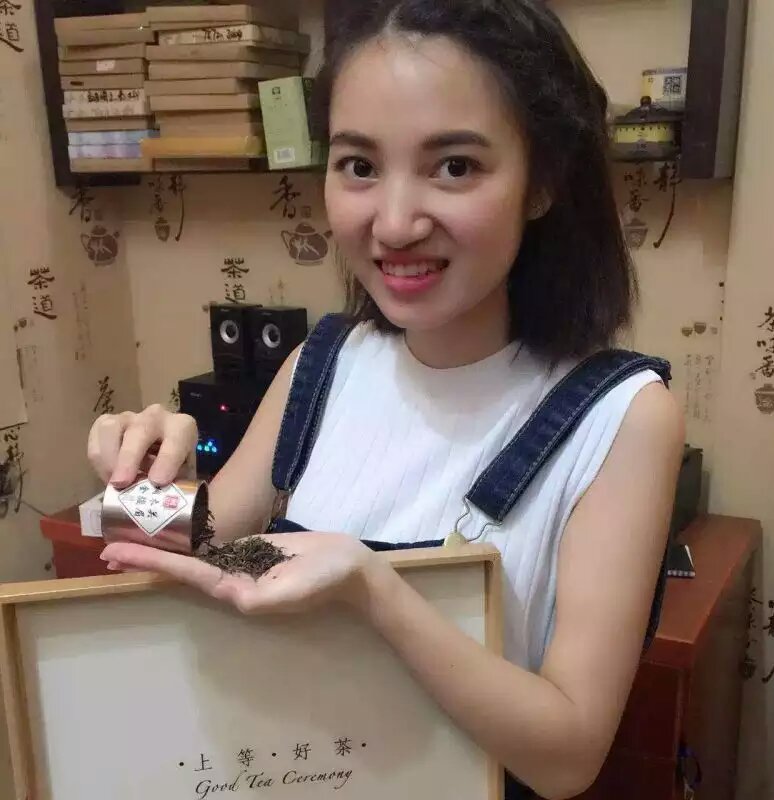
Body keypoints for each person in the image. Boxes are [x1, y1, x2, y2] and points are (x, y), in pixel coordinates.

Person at [88, 2, 684, 798]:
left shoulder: (623, 417)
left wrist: (373, 590)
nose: (395, 224)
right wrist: (137, 478)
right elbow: (187, 549)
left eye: (455, 167)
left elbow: (567, 758)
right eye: (359, 166)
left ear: (542, 182)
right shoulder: (322, 365)